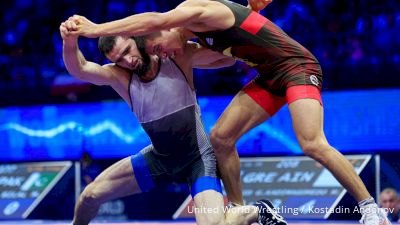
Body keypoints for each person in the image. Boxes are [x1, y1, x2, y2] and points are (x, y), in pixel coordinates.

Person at [65, 0, 392, 224]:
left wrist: (95, 28)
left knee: (311, 143)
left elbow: (159, 20)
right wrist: (250, 10)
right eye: (156, 53)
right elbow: (236, 41)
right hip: (267, 77)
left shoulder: (191, 13)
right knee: (221, 136)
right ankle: (242, 209)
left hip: (295, 67)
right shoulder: (192, 43)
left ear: (158, 32)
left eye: (157, 47)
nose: (161, 53)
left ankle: (371, 209)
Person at [60, 18, 286, 225]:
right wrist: (70, 41)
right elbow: (79, 68)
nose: (128, 61)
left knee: (214, 224)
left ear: (136, 38)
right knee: (89, 195)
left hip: (199, 160)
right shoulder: (119, 76)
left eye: (127, 51)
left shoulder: (176, 56)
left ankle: (257, 210)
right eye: (118, 60)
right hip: (160, 160)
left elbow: (227, 57)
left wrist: (247, 18)